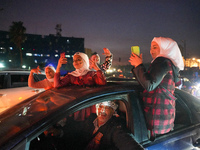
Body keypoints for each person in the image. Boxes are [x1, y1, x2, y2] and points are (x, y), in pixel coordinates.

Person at [129, 37, 184, 140]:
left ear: (166, 48)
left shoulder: (162, 61)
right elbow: (147, 82)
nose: (151, 51)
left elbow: (149, 85)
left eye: (155, 47)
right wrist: (137, 67)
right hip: (163, 119)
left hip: (155, 119)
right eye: (151, 48)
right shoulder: (169, 63)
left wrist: (138, 65)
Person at [44, 101, 144, 150]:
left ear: (113, 111)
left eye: (107, 108)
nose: (102, 111)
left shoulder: (115, 128)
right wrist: (59, 132)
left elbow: (129, 145)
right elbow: (76, 129)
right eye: (100, 106)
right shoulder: (91, 119)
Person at [54, 52, 106, 120]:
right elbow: (57, 85)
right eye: (74, 60)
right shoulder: (71, 75)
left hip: (89, 107)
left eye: (78, 59)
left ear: (85, 61)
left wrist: (96, 67)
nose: (75, 62)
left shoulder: (92, 74)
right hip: (76, 107)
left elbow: (102, 83)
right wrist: (58, 66)